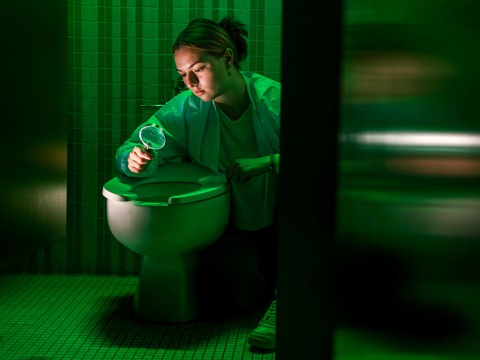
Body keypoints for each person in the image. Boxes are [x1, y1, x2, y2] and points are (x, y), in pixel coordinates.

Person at [114, 16, 279, 350]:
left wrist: (267, 162)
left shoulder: (273, 99)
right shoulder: (188, 108)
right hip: (235, 224)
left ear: (228, 59)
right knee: (225, 299)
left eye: (198, 68)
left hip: (289, 216)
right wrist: (134, 159)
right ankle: (267, 276)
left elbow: (323, 153)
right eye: (182, 74)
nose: (190, 81)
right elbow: (136, 144)